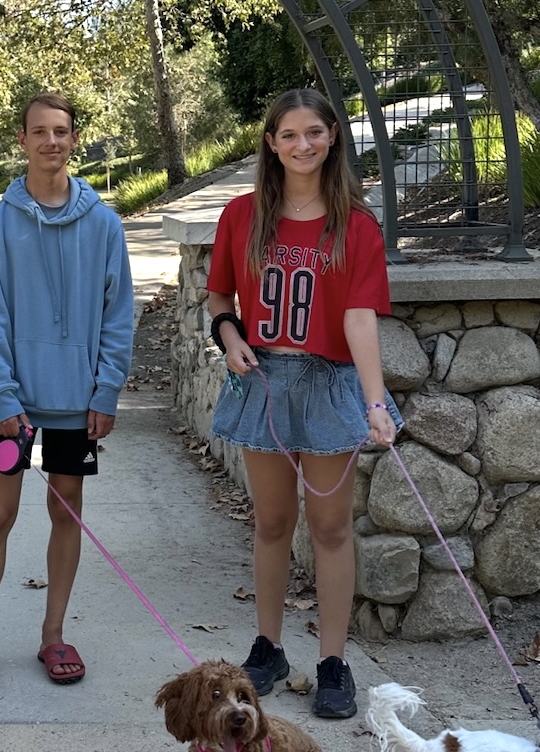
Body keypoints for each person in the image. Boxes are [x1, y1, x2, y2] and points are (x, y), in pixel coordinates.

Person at [205, 87, 400, 719]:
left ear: (333, 137)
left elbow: (360, 319)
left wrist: (376, 402)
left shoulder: (356, 224)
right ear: (271, 143)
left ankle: (333, 660)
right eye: (289, 135)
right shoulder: (242, 215)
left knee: (331, 527)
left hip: (327, 382)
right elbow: (220, 302)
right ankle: (267, 647)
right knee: (270, 523)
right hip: (262, 381)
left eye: (314, 132)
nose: (302, 145)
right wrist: (230, 337)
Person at [0, 92, 135, 694]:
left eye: (62, 131)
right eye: (39, 131)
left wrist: (106, 391)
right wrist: (0, 398)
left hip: (77, 405)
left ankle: (53, 635)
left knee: (65, 508)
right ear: (21, 140)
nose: (51, 141)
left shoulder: (103, 224)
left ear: (75, 140)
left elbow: (118, 312)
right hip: (10, 410)